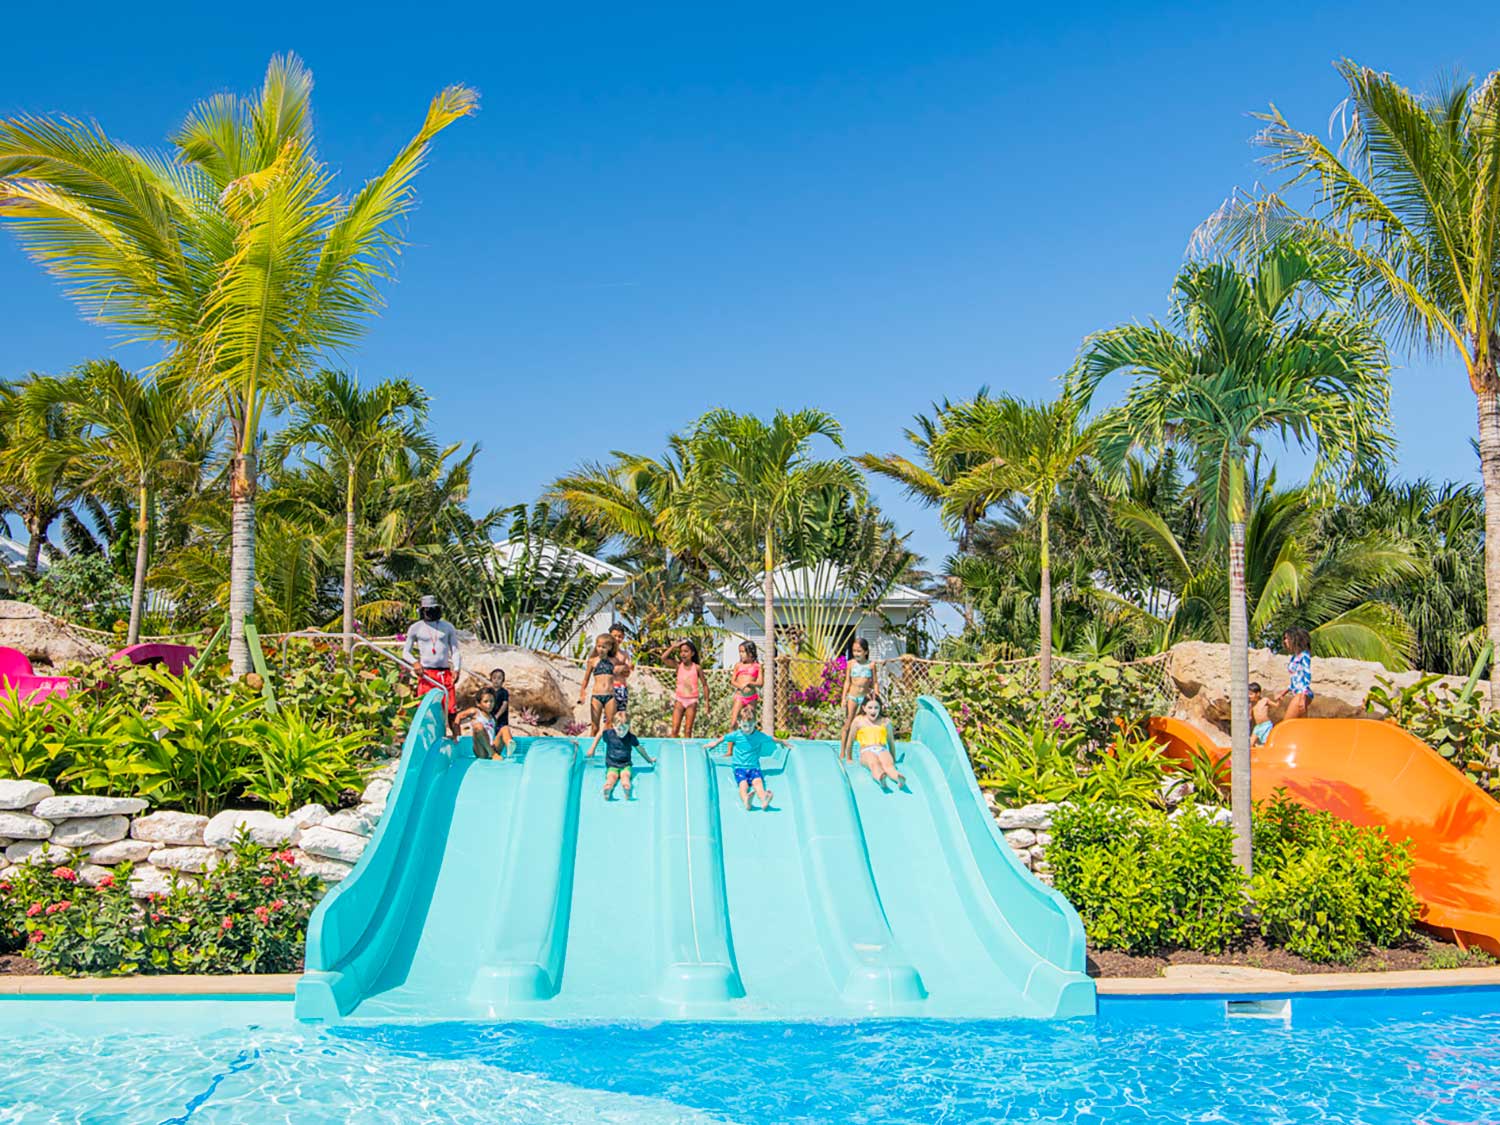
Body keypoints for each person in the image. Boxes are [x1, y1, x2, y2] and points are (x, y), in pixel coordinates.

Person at [402, 594, 462, 737]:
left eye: (432, 609)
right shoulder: (416, 628)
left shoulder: (447, 627)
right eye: (427, 610)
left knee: (451, 709)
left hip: (445, 673)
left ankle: (457, 740)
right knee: (425, 709)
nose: (429, 613)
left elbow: (455, 650)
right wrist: (415, 663)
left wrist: (457, 669)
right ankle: (425, 738)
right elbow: (405, 652)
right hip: (426, 674)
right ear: (422, 611)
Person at [705, 712, 789, 811]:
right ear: (739, 723)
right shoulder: (737, 735)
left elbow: (771, 739)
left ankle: (764, 799)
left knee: (758, 783)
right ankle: (746, 800)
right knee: (743, 784)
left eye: (750, 725)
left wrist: (782, 742)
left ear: (755, 723)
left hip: (754, 768)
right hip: (739, 768)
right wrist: (715, 743)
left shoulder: (759, 736)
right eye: (744, 726)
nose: (747, 729)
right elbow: (725, 737)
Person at [584, 708, 655, 800]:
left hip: (626, 764)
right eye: (619, 729)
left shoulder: (631, 737)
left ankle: (626, 789)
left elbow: (640, 749)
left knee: (625, 776)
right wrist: (592, 748)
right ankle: (608, 789)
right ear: (613, 726)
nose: (621, 732)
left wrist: (649, 759)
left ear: (629, 726)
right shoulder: (609, 734)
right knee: (611, 777)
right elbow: (600, 733)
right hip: (612, 765)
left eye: (624, 729)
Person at [848, 696, 906, 791]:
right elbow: (850, 740)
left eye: (876, 708)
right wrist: (849, 757)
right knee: (874, 764)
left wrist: (893, 758)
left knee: (889, 765)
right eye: (870, 708)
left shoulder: (885, 722)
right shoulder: (858, 721)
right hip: (866, 750)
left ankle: (898, 777)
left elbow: (891, 742)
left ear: (880, 708)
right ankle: (880, 777)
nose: (873, 711)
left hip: (881, 749)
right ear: (864, 708)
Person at [838, 638, 879, 762]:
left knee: (864, 725)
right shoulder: (851, 664)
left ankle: (865, 752)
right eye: (854, 651)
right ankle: (842, 751)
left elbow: (875, 682)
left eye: (859, 651)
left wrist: (876, 695)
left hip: (865, 698)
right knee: (848, 723)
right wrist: (843, 697)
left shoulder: (871, 665)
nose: (856, 653)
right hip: (852, 697)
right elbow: (847, 682)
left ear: (866, 652)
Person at [663, 639, 707, 738]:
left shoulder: (697, 668)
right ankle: (673, 751)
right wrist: (674, 646)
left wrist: (707, 702)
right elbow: (664, 658)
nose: (683, 654)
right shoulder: (678, 666)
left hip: (692, 701)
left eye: (686, 651)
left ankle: (687, 751)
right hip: (680, 700)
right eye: (681, 651)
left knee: (688, 730)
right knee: (674, 730)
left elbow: (704, 685)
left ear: (692, 653)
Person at [578, 633, 620, 736]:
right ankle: (591, 748)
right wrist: (582, 693)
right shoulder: (592, 661)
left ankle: (608, 748)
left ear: (610, 647)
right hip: (597, 696)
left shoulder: (614, 660)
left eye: (604, 647)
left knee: (609, 725)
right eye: (598, 646)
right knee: (595, 727)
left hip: (610, 696)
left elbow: (623, 673)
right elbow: (585, 679)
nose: (600, 649)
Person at [1275, 628, 1313, 721]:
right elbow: (1295, 681)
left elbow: (1307, 675)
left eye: (1287, 638)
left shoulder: (1304, 655)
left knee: (1286, 723)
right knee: (1300, 726)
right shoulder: (1294, 658)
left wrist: (1303, 697)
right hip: (1298, 693)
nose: (1285, 641)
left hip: (1302, 694)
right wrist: (1283, 693)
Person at [456, 689, 501, 759]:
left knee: (505, 729)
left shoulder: (493, 718)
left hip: (491, 746)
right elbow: (459, 716)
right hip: (481, 750)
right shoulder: (476, 712)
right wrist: (457, 735)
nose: (489, 704)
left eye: (491, 701)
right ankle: (492, 753)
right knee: (478, 726)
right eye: (486, 701)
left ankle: (509, 748)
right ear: (478, 703)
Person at [728, 640, 763, 727]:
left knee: (750, 722)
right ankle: (731, 741)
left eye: (743, 652)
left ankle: (748, 740)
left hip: (752, 697)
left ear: (750, 653)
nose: (741, 654)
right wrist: (740, 686)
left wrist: (750, 682)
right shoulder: (738, 665)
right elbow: (732, 681)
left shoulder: (758, 666)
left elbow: (760, 683)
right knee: (733, 722)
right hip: (740, 696)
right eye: (740, 652)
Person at [486, 667, 516, 757]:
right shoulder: (488, 692)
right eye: (494, 678)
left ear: (503, 680)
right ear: (491, 679)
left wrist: (497, 716)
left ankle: (509, 746)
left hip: (501, 720)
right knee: (490, 735)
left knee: (504, 731)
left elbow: (504, 705)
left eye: (499, 678)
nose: (496, 680)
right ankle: (492, 750)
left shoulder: (504, 692)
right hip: (490, 720)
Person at [608, 622, 633, 712]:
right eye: (615, 636)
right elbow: (609, 670)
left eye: (620, 636)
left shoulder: (624, 654)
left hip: (623, 687)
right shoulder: (607, 653)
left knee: (622, 715)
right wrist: (623, 667)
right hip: (610, 687)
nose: (617, 639)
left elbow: (628, 672)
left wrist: (624, 668)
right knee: (609, 716)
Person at [1249, 682, 1273, 747]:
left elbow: (1276, 705)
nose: (1249, 696)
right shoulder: (1252, 704)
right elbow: (1250, 716)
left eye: (1251, 694)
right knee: (1251, 743)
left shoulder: (1265, 700)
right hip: (1258, 726)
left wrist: (1279, 700)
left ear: (1258, 694)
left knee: (1266, 743)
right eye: (1248, 694)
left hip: (1266, 725)